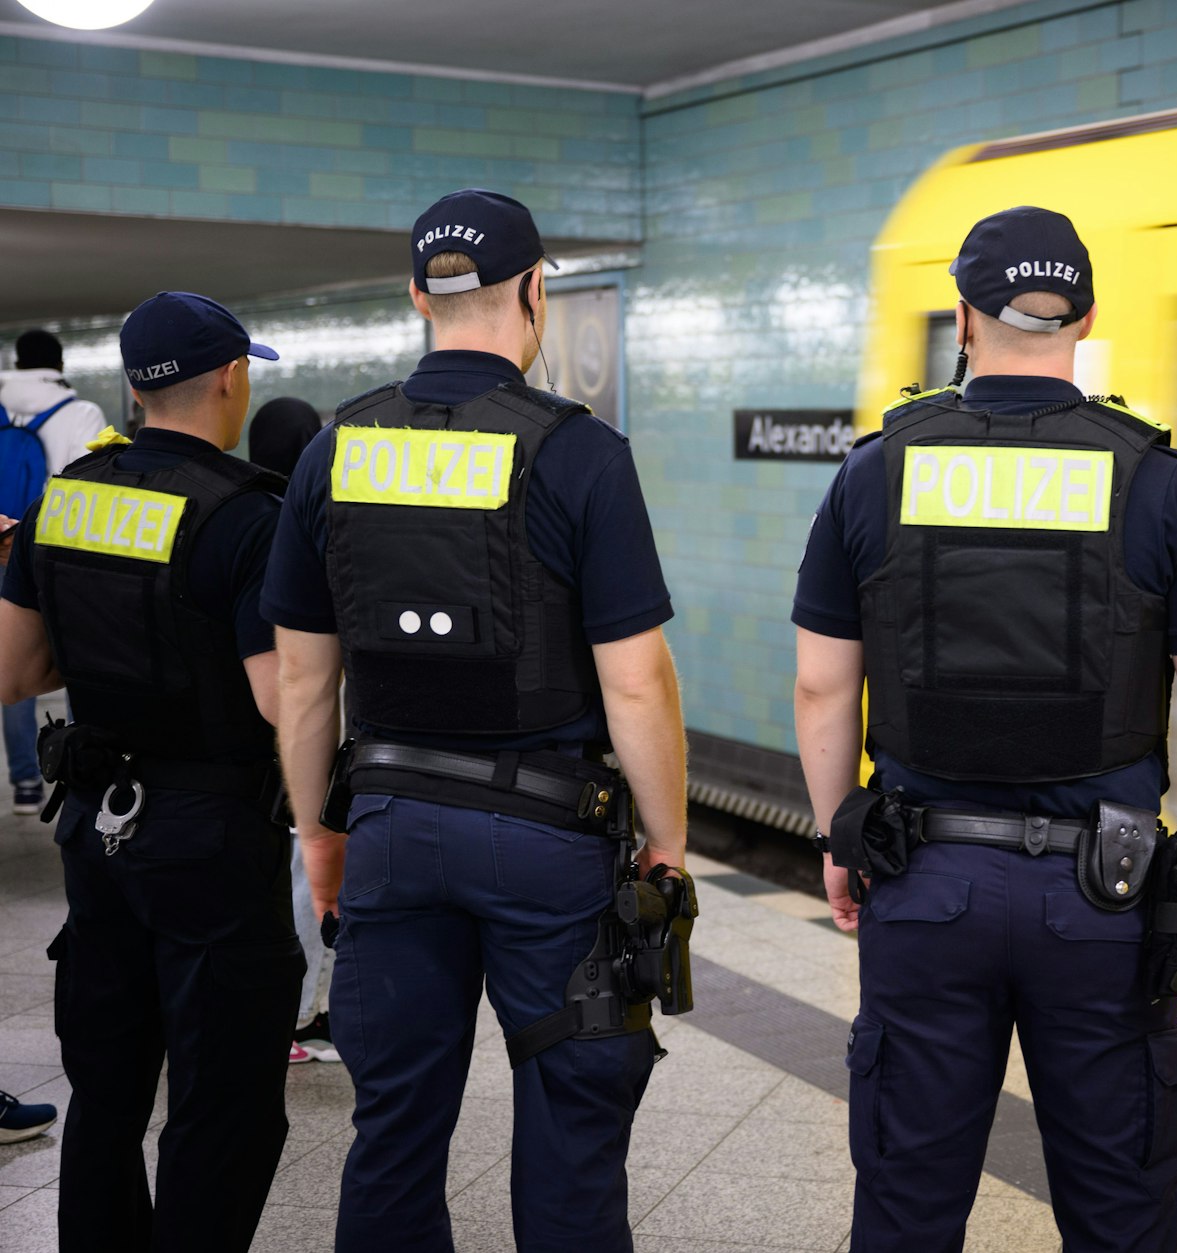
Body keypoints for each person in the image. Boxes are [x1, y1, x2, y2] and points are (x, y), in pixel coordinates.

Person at [793, 206, 1177, 1253]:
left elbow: (822, 690)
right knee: (1117, 1208)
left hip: (924, 887)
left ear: (964, 319)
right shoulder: (1156, 481)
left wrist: (840, 837)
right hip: (1101, 904)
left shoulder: (875, 471)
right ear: (1085, 317)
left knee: (905, 1202)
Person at [264, 188, 689, 1252]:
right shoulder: (580, 452)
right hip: (547, 843)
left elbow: (306, 680)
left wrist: (320, 829)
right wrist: (668, 842)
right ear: (536, 290)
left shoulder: (334, 449)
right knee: (571, 1131)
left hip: (394, 831)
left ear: (417, 295)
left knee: (393, 1130)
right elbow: (635, 680)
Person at [0, 293, 302, 1251]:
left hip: (96, 824)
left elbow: (15, 670)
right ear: (231, 377)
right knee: (223, 1104)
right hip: (211, 837)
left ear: (134, 388)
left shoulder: (67, 495)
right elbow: (277, 701)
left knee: (108, 1088)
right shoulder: (249, 515)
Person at [245, 395, 343, 1066]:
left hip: (236, 750)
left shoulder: (238, 512)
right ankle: (298, 1015)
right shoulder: (300, 526)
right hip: (293, 739)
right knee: (306, 878)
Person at [0, 329, 111, 815]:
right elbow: (89, 491)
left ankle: (25, 778)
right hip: (44, 551)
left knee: (7, 660)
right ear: (60, 362)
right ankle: (51, 772)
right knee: (51, 658)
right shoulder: (81, 413)